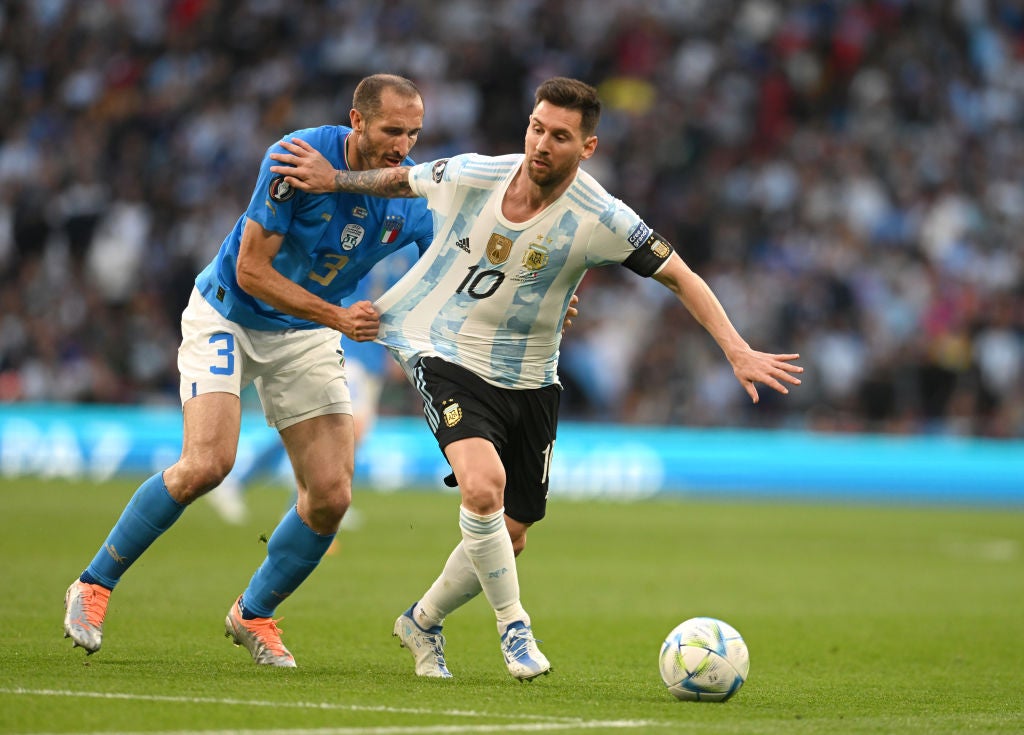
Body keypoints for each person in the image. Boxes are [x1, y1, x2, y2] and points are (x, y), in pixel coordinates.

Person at [268, 76, 804, 680]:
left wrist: (736, 350)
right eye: (536, 128)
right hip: (446, 354)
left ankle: (421, 620)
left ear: (588, 147)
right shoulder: (478, 173)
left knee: (511, 532)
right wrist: (333, 178)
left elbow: (680, 275)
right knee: (482, 488)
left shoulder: (603, 217)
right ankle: (515, 628)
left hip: (530, 379)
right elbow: (400, 179)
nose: (541, 144)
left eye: (560, 136)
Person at [62, 73, 435, 668]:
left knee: (331, 496)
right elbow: (250, 271)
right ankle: (93, 583)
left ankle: (254, 613)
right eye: (393, 130)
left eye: (414, 133)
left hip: (306, 333)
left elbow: (452, 276)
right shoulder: (296, 157)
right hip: (228, 314)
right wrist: (338, 315)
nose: (404, 146)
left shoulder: (413, 195)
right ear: (358, 121)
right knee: (206, 465)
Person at [205, 243, 421, 527]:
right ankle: (301, 502)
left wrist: (393, 353)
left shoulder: (411, 245)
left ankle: (305, 497)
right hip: (348, 345)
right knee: (341, 425)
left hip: (373, 353)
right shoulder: (374, 235)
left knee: (326, 428)